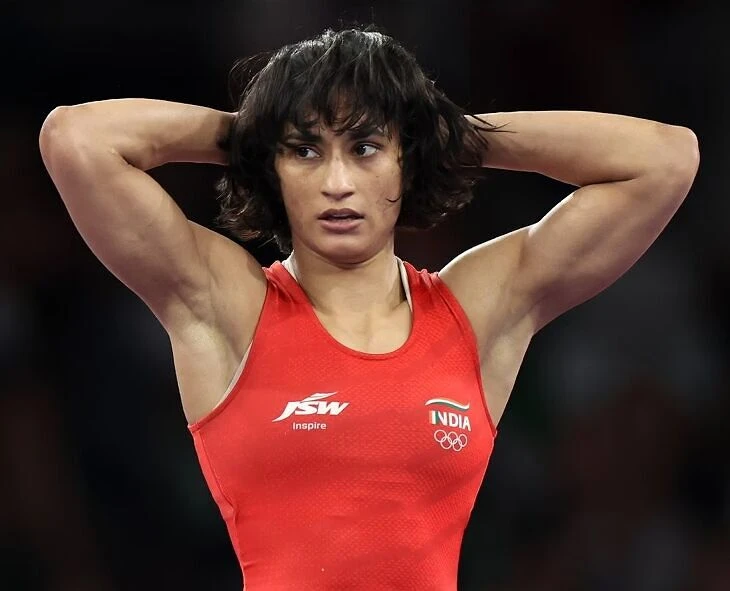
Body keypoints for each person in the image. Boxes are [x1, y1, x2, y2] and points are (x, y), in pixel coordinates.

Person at [38, 26, 699, 591]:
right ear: (274, 169)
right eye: (305, 151)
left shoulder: (475, 309)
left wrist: (443, 133)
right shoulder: (227, 304)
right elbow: (75, 138)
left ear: (405, 161)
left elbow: (667, 159)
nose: (337, 183)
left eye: (365, 148)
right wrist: (254, 130)